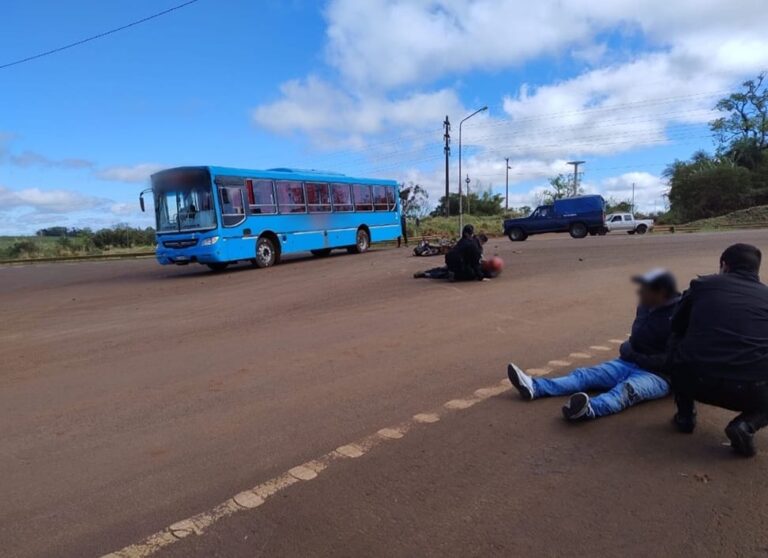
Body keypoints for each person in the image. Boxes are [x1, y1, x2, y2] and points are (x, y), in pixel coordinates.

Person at [507, 269, 679, 420]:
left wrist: (635, 354)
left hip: (658, 376)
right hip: (628, 362)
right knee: (586, 375)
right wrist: (629, 350)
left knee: (626, 390)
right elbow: (635, 339)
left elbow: (674, 359)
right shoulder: (645, 307)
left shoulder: (680, 315)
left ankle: (589, 409)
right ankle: (535, 387)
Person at [669, 243, 768, 457]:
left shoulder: (701, 286)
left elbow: (675, 325)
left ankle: (685, 417)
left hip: (693, 381)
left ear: (724, 265)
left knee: (677, 339)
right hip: (750, 391)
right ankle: (746, 425)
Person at [414, 226, 487, 281]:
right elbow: (475, 263)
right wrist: (481, 276)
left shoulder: (464, 240)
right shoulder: (474, 245)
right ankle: (453, 275)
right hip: (458, 263)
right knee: (471, 274)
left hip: (450, 258)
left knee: (445, 268)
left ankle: (427, 272)